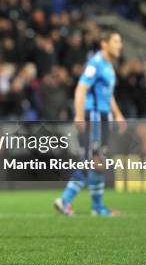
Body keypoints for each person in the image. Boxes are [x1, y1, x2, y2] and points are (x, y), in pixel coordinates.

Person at [54, 30, 125, 216]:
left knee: (99, 161)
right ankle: (65, 200)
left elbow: (108, 95)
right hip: (94, 115)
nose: (120, 45)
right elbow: (80, 89)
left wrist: (118, 114)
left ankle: (98, 207)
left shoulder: (109, 66)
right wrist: (79, 115)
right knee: (91, 160)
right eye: (116, 41)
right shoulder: (95, 64)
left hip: (103, 116)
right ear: (104, 43)